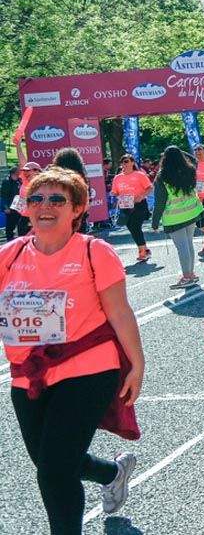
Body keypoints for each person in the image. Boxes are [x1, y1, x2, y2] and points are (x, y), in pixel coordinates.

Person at [2, 166, 144, 529]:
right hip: (28, 376)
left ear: (77, 208)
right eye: (36, 198)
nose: (44, 205)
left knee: (53, 472)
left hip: (88, 369)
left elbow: (119, 311)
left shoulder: (95, 251)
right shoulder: (9, 256)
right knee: (53, 462)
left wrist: (137, 364)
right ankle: (112, 471)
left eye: (56, 199)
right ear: (26, 206)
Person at [150, 147, 204, 289]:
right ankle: (190, 274)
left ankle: (186, 277)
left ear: (164, 159)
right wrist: (179, 151)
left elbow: (160, 202)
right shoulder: (190, 170)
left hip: (175, 217)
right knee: (188, 244)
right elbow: (193, 159)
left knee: (182, 248)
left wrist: (155, 222)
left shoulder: (162, 176)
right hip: (192, 212)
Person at [111, 154, 153, 263]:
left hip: (139, 205)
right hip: (125, 206)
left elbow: (149, 187)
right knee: (131, 227)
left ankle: (142, 251)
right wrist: (115, 194)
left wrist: (141, 196)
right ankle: (145, 249)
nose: (124, 164)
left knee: (135, 226)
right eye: (122, 162)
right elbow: (115, 192)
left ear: (133, 162)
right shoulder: (117, 177)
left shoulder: (139, 175)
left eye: (126, 161)